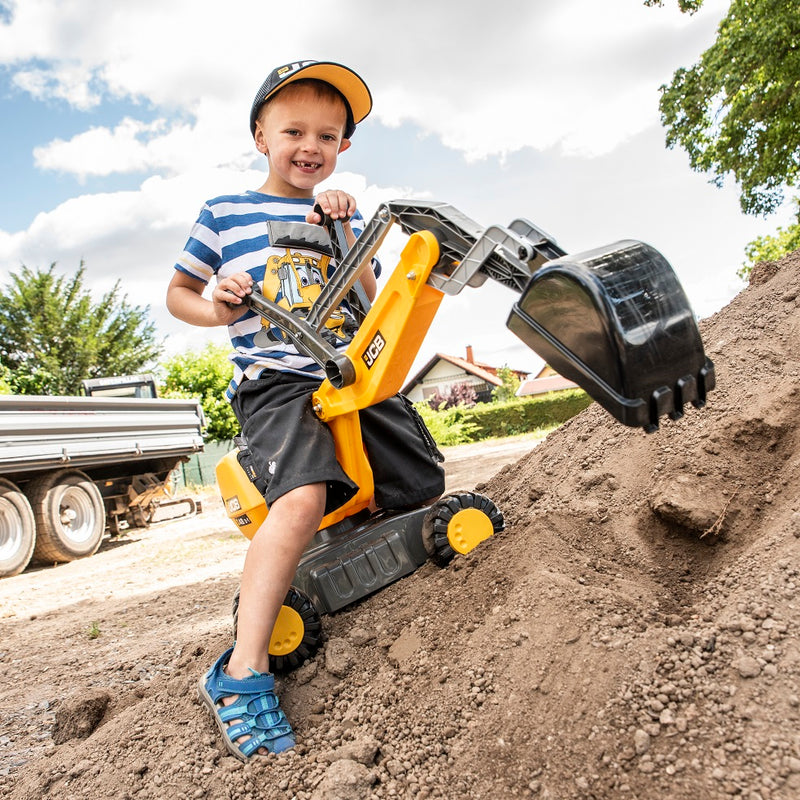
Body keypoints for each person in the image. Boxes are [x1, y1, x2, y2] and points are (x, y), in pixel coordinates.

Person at [166, 60, 445, 761]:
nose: (309, 146)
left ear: (343, 147)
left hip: (342, 372)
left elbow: (372, 294)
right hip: (275, 384)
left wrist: (348, 233)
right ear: (260, 134)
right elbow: (178, 293)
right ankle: (242, 673)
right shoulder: (225, 213)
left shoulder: (342, 215)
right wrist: (216, 301)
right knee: (298, 501)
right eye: (293, 130)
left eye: (327, 134)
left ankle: (346, 555)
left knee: (420, 487)